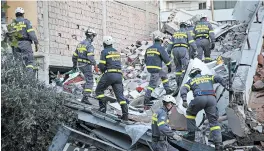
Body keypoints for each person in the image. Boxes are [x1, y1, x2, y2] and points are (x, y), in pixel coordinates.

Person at [180, 68, 229, 151]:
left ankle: (191, 134)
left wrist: (184, 99)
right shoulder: (208, 77)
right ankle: (218, 144)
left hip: (199, 99)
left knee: (190, 113)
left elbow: (183, 89)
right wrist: (225, 84)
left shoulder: (191, 80)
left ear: (192, 75)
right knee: (214, 122)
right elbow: (218, 78)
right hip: (211, 99)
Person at [95, 36, 128, 121]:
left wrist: (102, 70)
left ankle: (102, 108)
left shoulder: (104, 51)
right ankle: (125, 115)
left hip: (110, 74)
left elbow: (102, 65)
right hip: (119, 75)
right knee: (120, 96)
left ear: (104, 44)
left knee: (99, 90)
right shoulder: (116, 52)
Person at [144, 35, 173, 110]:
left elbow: (145, 59)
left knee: (164, 76)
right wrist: (169, 66)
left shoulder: (148, 49)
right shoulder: (160, 48)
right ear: (160, 41)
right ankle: (146, 100)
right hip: (156, 68)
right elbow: (165, 58)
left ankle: (168, 90)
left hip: (151, 68)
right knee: (152, 85)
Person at [167, 21, 198, 88]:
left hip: (175, 50)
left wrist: (169, 52)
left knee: (178, 67)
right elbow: (191, 42)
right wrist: (195, 50)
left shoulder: (175, 33)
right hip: (183, 49)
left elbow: (170, 44)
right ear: (185, 26)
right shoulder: (187, 32)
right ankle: (184, 83)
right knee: (185, 66)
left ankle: (178, 84)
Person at [11, 7, 38, 75]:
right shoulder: (26, 21)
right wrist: (36, 43)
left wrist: (12, 47)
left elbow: (10, 35)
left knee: (17, 62)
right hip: (25, 43)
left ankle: (19, 79)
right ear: (23, 14)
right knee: (29, 62)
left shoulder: (12, 23)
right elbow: (31, 33)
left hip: (15, 44)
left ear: (16, 14)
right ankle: (29, 79)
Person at [72, 28, 97, 104]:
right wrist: (95, 65)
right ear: (91, 36)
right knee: (90, 81)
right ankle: (85, 97)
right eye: (93, 36)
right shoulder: (89, 46)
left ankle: (83, 94)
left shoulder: (80, 44)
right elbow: (90, 57)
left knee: (86, 79)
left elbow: (74, 56)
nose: (93, 38)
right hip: (86, 65)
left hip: (80, 65)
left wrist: (74, 65)